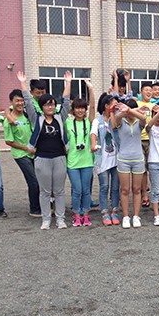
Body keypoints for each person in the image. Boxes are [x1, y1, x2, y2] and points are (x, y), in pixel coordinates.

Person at [21, 71, 72, 230]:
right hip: (42, 159)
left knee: (59, 191)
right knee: (44, 192)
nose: (50, 107)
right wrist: (22, 83)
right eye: (47, 104)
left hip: (59, 158)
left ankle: (60, 219)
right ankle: (46, 219)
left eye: (52, 104)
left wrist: (68, 83)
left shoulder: (60, 117)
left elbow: (66, 102)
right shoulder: (37, 119)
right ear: (42, 107)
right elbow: (28, 103)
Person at [3, 89, 41, 218]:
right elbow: (9, 141)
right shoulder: (9, 121)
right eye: (17, 101)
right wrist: (26, 148)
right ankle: (34, 209)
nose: (20, 103)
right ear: (11, 102)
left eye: (22, 100)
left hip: (33, 152)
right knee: (33, 181)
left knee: (40, 179)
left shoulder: (27, 115)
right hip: (21, 154)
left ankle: (42, 205)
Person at [113, 98, 147, 228]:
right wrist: (127, 111)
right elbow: (117, 117)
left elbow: (143, 118)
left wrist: (131, 110)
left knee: (137, 189)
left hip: (138, 159)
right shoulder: (121, 121)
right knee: (125, 190)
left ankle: (136, 216)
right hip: (123, 159)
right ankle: (126, 217)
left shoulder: (139, 121)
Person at [65, 81, 96, 227]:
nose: (80, 110)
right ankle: (77, 214)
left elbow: (93, 107)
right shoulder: (68, 122)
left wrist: (91, 89)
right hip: (73, 162)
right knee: (77, 190)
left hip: (87, 161)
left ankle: (86, 214)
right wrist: (68, 84)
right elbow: (62, 107)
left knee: (86, 191)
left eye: (82, 108)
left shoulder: (89, 122)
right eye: (77, 108)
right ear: (73, 109)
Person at [91, 93, 120, 226]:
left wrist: (114, 113)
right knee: (104, 186)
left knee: (115, 186)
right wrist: (93, 144)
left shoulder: (117, 118)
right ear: (106, 106)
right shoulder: (98, 121)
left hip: (116, 159)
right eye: (113, 104)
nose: (116, 105)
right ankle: (104, 212)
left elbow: (115, 127)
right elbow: (93, 133)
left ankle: (114, 210)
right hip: (102, 159)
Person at [136, 82, 155, 208]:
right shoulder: (137, 104)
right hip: (139, 139)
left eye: (150, 90)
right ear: (140, 92)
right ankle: (145, 196)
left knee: (153, 168)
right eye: (146, 90)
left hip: (152, 140)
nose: (149, 92)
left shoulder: (154, 106)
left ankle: (156, 194)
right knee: (143, 170)